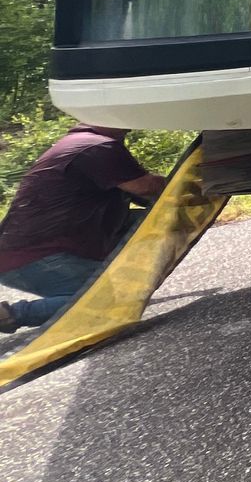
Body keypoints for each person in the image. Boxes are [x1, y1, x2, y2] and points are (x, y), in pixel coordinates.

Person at [0, 125, 167, 334]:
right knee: (110, 301)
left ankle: (105, 279)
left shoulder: (83, 143)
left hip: (34, 250)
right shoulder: (96, 147)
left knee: (160, 220)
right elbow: (147, 187)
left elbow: (145, 197)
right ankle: (10, 315)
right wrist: (191, 186)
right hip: (32, 257)